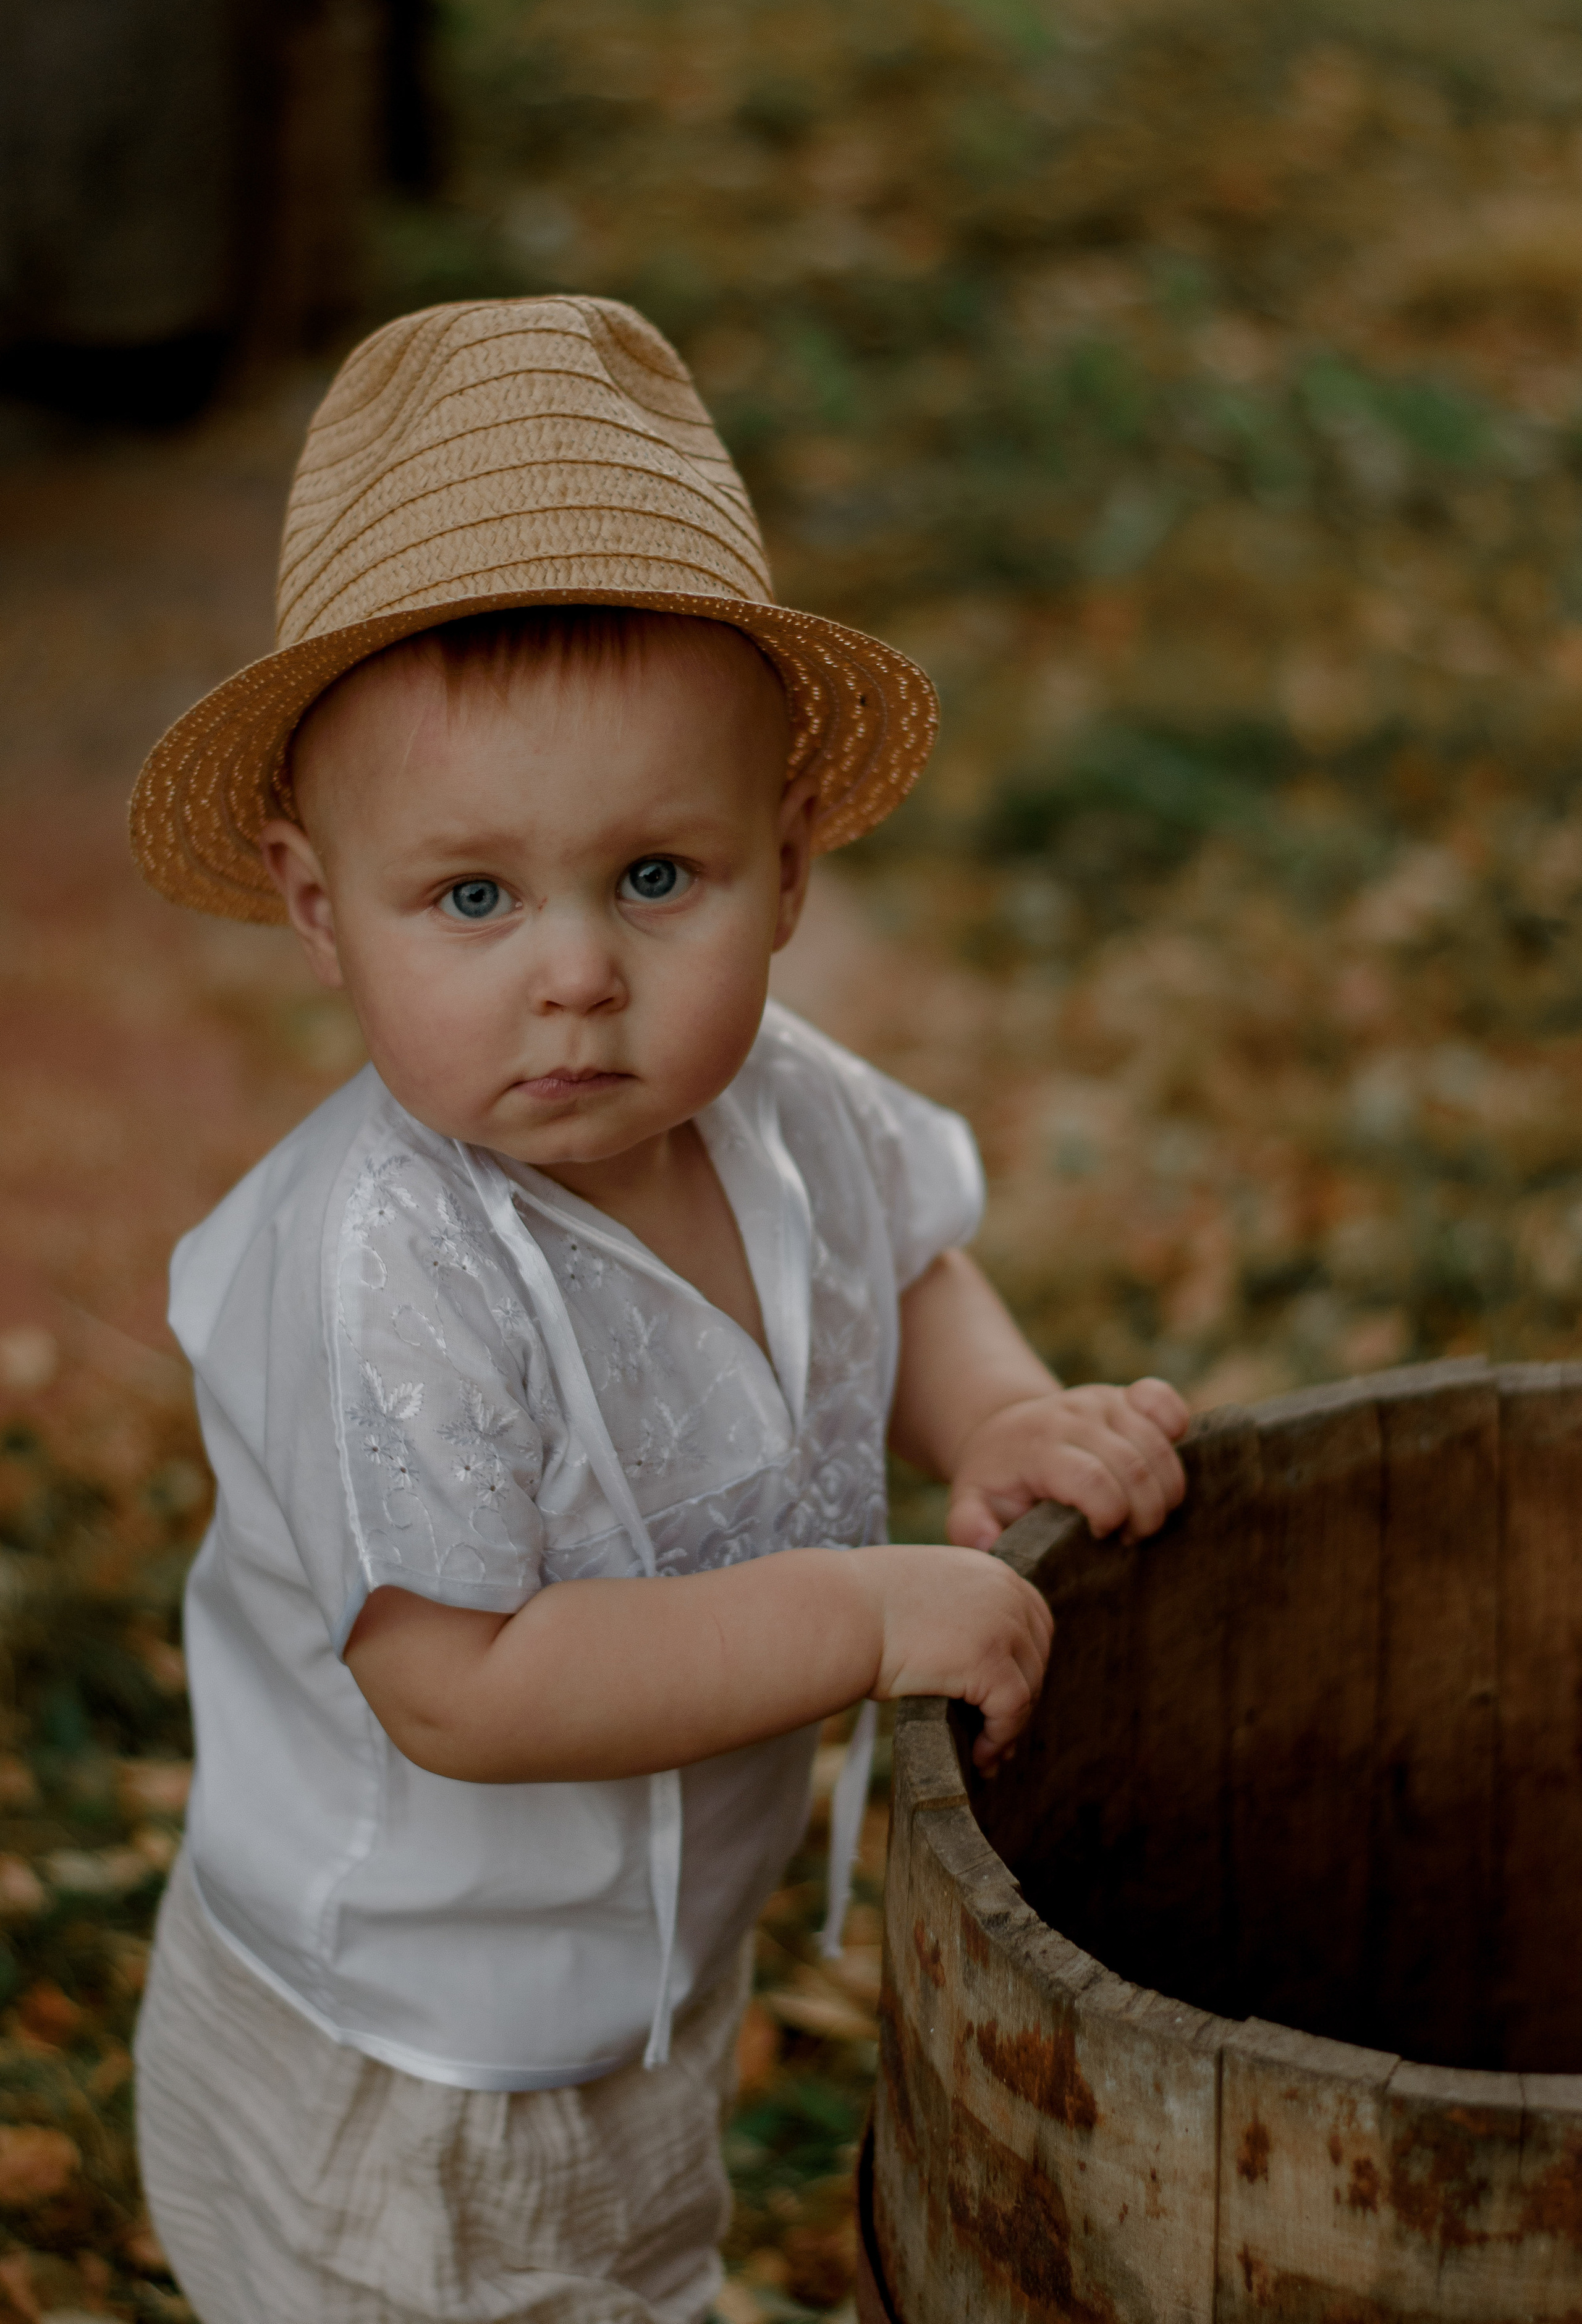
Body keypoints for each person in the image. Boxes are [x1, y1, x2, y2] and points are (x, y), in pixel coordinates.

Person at [127, 295, 1188, 2324]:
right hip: (420, 2053)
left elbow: (904, 1256)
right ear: (310, 901)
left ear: (787, 868)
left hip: (639, 1977)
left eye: (654, 878)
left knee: (628, 2252)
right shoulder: (383, 1264)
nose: (577, 977)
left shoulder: (783, 1106)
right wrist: (864, 1614)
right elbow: (463, 1683)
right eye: (472, 898)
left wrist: (998, 1422)